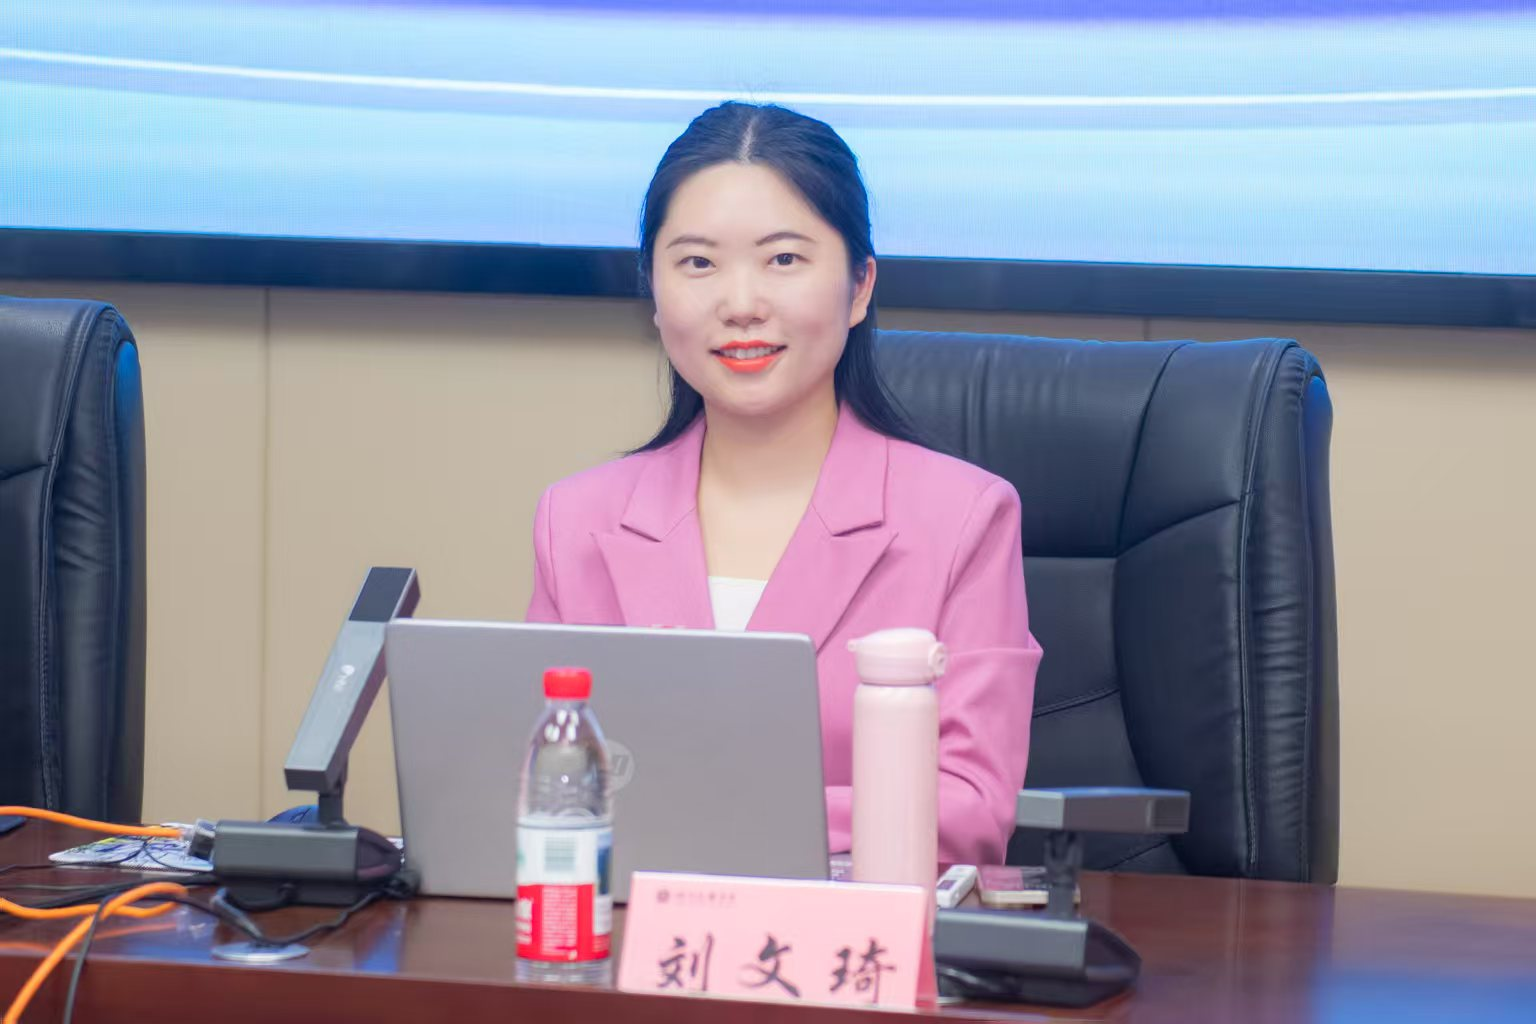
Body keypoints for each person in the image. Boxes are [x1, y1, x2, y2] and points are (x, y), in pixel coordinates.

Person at [525, 101, 1041, 865]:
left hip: (853, 933)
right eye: (698, 264)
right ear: (654, 292)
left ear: (859, 287)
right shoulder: (576, 519)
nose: (741, 305)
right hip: (630, 931)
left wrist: (696, 806)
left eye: (784, 260)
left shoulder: (964, 517)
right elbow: (543, 782)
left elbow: (969, 806)